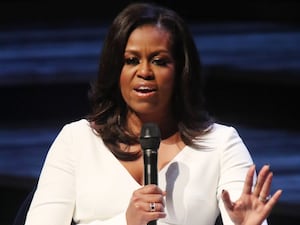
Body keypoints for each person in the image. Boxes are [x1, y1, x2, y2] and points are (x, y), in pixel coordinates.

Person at [24, 2, 282, 225]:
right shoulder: (76, 141)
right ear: (117, 70)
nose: (144, 71)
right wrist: (125, 221)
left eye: (159, 61)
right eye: (132, 60)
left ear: (181, 71)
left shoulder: (220, 144)